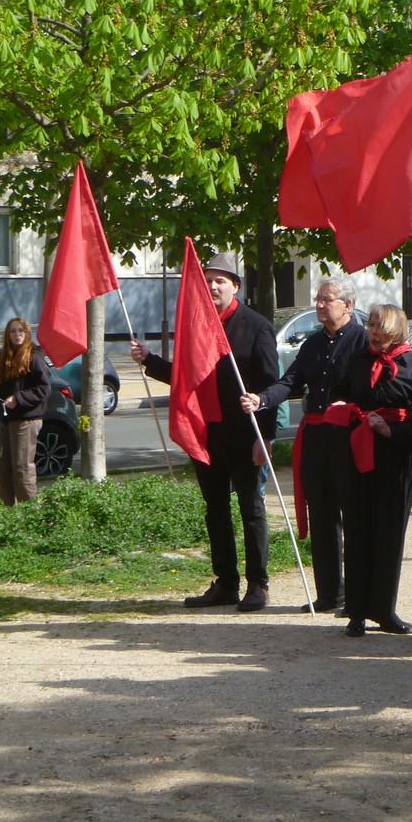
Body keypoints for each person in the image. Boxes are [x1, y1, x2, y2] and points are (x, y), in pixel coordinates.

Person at [131, 252, 279, 612]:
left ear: (235, 287)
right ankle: (225, 583)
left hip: (244, 434)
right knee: (215, 509)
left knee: (251, 508)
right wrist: (149, 360)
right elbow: (186, 379)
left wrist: (266, 436)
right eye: (207, 281)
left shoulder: (256, 325)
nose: (212, 286)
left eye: (220, 281)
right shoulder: (196, 324)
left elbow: (270, 383)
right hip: (206, 432)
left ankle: (257, 584)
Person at [238, 276, 367, 614]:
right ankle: (329, 591)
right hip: (316, 437)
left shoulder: (362, 342)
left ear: (347, 305)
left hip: (348, 437)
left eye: (327, 299)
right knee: (321, 513)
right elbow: (291, 381)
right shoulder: (313, 344)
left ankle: (357, 592)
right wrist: (263, 399)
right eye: (318, 299)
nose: (320, 305)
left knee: (352, 515)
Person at [330, 303, 412, 637]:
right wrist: (345, 409)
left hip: (395, 457)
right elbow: (338, 394)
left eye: (378, 326)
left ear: (395, 330)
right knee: (358, 529)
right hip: (358, 451)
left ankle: (384, 610)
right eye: (370, 325)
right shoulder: (358, 360)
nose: (371, 331)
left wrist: (393, 431)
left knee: (388, 533)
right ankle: (356, 611)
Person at [0, 316, 52, 505]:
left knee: (22, 468)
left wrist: (19, 399)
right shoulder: (7, 357)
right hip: (7, 421)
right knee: (2, 468)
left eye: (21, 331)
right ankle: (7, 515)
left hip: (26, 420)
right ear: (7, 335)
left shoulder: (34, 356)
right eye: (12, 331)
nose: (17, 334)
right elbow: (2, 388)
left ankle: (29, 515)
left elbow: (44, 388)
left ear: (27, 333)